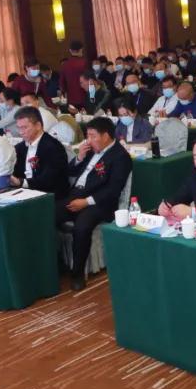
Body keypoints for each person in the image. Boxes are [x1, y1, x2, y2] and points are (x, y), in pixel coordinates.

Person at [57, 117, 132, 291]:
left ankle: (77, 274)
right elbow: (70, 171)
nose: (88, 140)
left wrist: (86, 202)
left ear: (105, 136)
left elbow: (113, 190)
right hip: (76, 195)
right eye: (87, 136)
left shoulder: (120, 157)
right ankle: (56, 263)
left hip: (99, 203)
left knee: (82, 227)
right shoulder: (91, 150)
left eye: (92, 136)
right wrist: (79, 157)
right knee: (49, 214)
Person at [10, 106, 70, 196]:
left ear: (38, 126)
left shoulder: (53, 148)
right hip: (25, 193)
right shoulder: (20, 147)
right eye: (19, 128)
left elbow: (48, 181)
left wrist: (21, 182)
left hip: (50, 196)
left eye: (24, 127)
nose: (21, 132)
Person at [59, 40, 88, 109]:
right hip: (85, 99)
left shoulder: (65, 65)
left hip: (71, 100)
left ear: (70, 50)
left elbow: (62, 84)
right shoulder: (85, 63)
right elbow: (91, 82)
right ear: (81, 49)